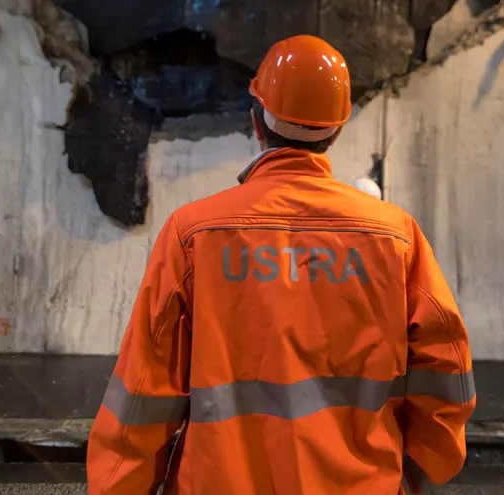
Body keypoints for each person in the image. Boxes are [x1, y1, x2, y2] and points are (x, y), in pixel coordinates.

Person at [87, 35, 476, 495]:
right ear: (337, 129)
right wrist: (422, 467)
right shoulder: (396, 236)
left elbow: (142, 391)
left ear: (257, 121)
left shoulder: (195, 233)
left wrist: (118, 487)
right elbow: (445, 370)